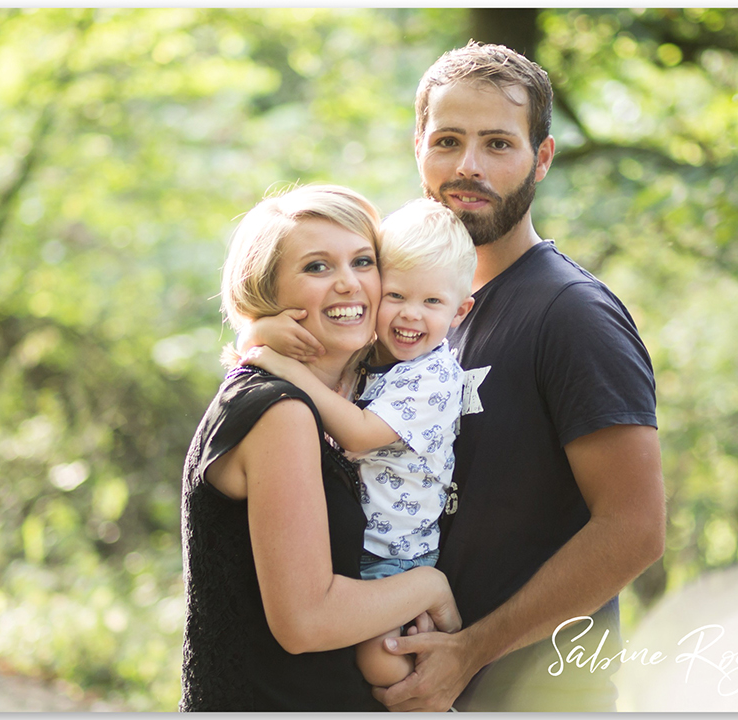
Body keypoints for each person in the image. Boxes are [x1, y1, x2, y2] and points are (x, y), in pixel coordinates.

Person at [244, 43, 664, 712]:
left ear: (542, 159)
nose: (468, 167)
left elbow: (635, 529)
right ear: (418, 148)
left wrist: (471, 651)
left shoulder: (572, 316)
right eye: (448, 140)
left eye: (498, 143)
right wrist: (263, 337)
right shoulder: (408, 305)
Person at [179, 184, 460, 711]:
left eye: (363, 261)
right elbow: (305, 621)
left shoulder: (367, 394)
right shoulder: (278, 411)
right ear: (265, 291)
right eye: (316, 267)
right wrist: (430, 586)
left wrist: (257, 336)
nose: (349, 284)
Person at [241, 197, 477, 688]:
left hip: (397, 553)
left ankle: (451, 680)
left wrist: (282, 368)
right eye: (396, 296)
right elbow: (315, 338)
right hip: (363, 548)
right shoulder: (377, 356)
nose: (411, 316)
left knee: (385, 664)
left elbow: (360, 434)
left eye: (432, 302)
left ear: (460, 311)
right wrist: (262, 330)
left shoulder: (433, 377)